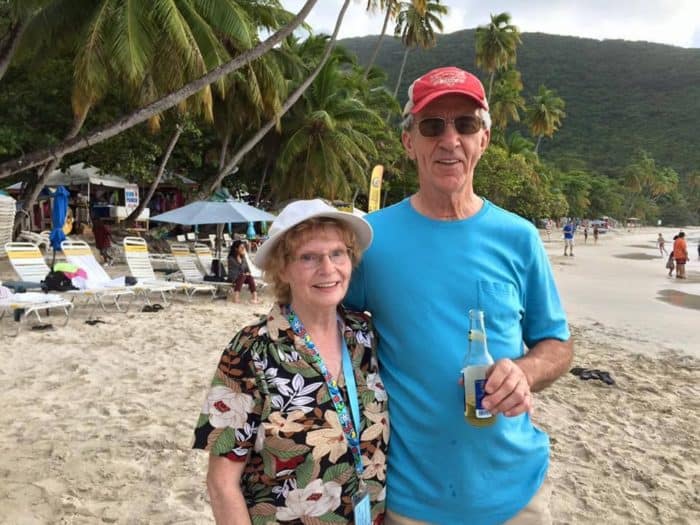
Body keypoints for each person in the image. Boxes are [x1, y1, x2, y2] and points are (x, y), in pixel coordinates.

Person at [345, 66, 573, 525]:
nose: (450, 140)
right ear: (410, 142)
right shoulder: (372, 241)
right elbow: (319, 333)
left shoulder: (519, 238)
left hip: (517, 495)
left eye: (465, 124)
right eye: (432, 126)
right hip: (412, 501)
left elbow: (558, 345)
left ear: (483, 141)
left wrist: (523, 373)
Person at [194, 199, 389, 524]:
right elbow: (221, 482)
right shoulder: (251, 350)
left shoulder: (364, 335)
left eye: (337, 254)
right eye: (308, 257)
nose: (328, 269)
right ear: (283, 269)